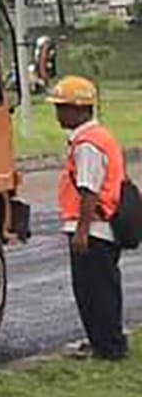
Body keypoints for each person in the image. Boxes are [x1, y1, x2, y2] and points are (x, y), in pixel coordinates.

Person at [52, 75, 128, 362]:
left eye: (62, 107)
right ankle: (105, 342)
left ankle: (107, 347)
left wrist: (82, 231)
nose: (58, 113)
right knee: (102, 288)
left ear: (80, 109)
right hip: (101, 227)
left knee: (94, 291)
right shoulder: (100, 136)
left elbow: (89, 190)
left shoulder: (88, 144)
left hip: (94, 228)